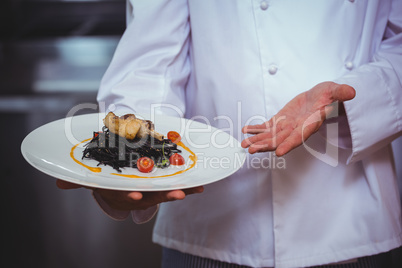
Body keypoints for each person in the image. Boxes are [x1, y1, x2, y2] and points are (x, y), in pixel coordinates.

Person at [57, 0, 402, 267]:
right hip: (208, 229)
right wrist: (131, 161)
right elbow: (151, 63)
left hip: (354, 221)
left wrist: (351, 97)